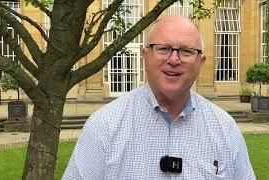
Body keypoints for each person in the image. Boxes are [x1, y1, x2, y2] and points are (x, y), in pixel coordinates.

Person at [63, 15, 255, 179]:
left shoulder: (225, 128)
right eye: (163, 49)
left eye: (186, 51)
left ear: (201, 62)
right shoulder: (104, 126)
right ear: (145, 56)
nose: (173, 60)